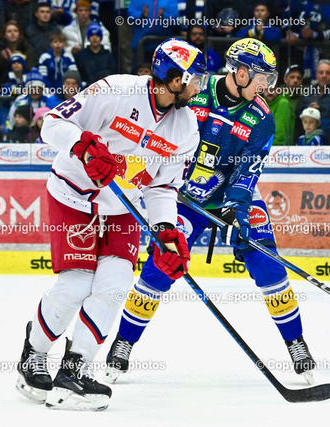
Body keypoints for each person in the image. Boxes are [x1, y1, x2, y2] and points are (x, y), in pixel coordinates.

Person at [105, 38, 317, 384]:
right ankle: (123, 343)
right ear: (242, 73)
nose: (267, 85)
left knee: (268, 264)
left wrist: (234, 208)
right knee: (160, 265)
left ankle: (296, 344)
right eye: (263, 77)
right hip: (185, 197)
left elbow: (248, 172)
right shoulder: (194, 92)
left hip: (236, 197)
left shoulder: (262, 118)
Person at [15, 38, 207, 411]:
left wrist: (166, 230)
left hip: (123, 209)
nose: (199, 87)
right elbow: (52, 124)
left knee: (115, 285)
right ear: (174, 78)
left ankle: (76, 369)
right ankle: (34, 353)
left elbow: (162, 187)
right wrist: (84, 146)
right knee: (76, 285)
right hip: (74, 196)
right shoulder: (116, 90)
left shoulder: (186, 127)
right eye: (195, 79)